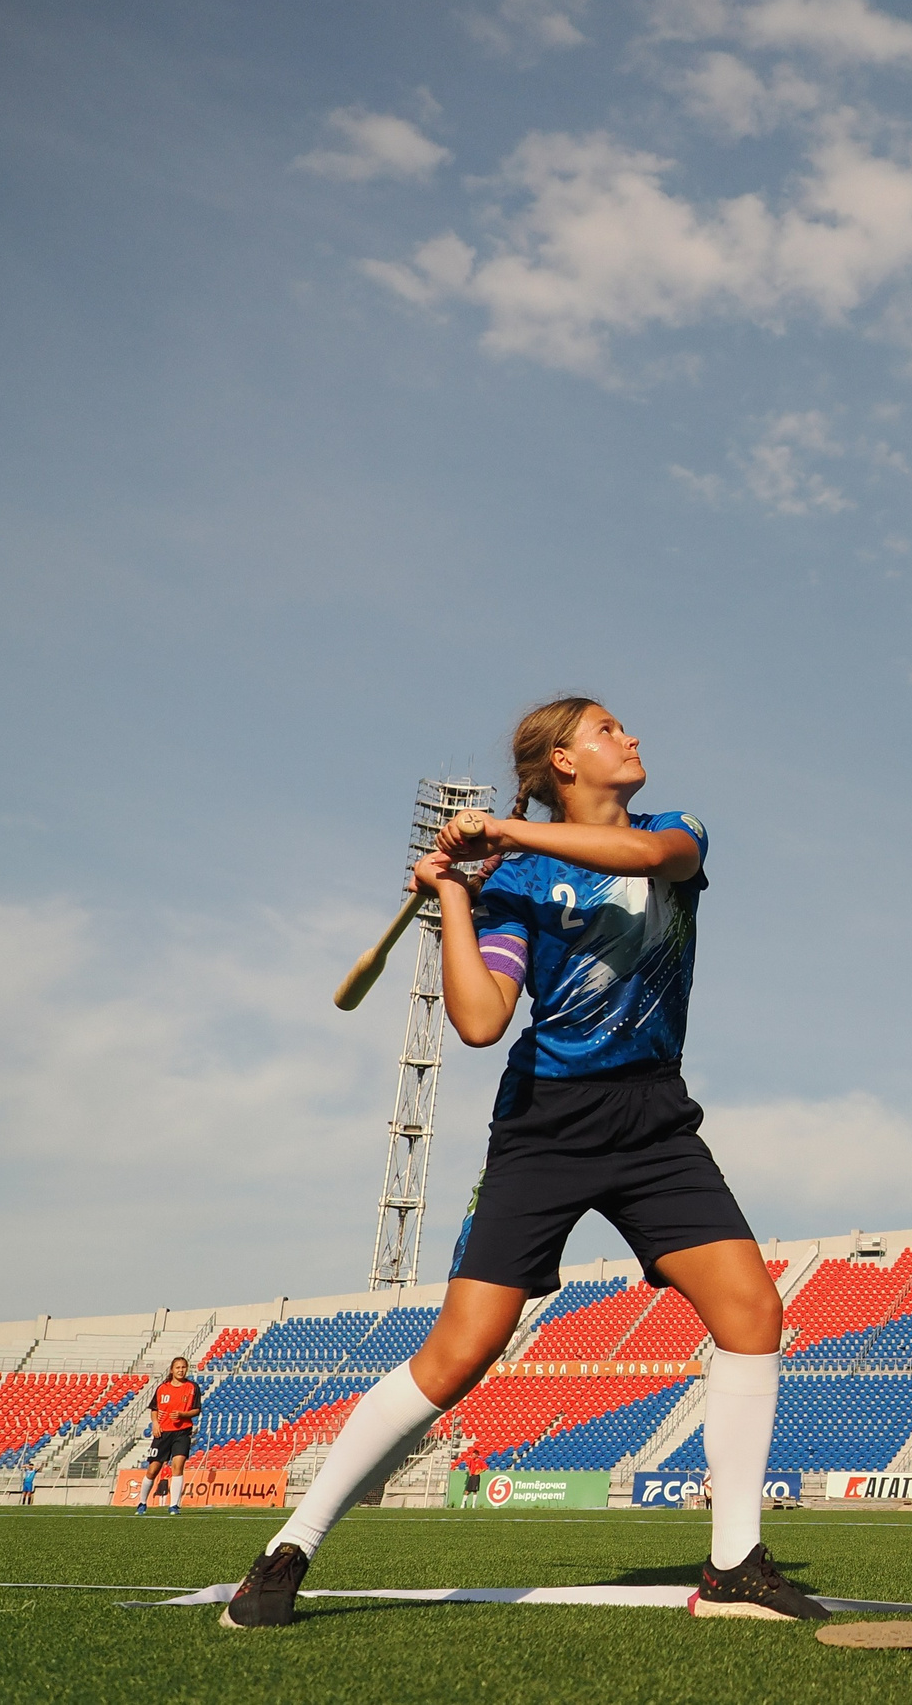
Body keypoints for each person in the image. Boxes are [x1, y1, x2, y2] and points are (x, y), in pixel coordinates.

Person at [224, 698, 821, 1629]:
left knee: (750, 1310)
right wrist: (459, 894)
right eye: (607, 728)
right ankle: (287, 1546)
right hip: (545, 1123)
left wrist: (501, 833)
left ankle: (735, 1563)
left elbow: (642, 864)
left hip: (655, 1116)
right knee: (459, 1353)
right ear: (563, 760)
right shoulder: (509, 883)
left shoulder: (674, 834)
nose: (630, 736)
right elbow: (478, 1020)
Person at [136, 1357, 201, 1515]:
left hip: (182, 1432)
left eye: (183, 1367)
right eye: (178, 1367)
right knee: (153, 1470)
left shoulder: (192, 1387)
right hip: (163, 1433)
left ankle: (174, 1506)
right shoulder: (162, 1388)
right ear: (172, 1370)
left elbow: (197, 1410)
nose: (181, 1370)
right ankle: (142, 1503)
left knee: (178, 1466)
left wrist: (182, 1414)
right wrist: (155, 1423)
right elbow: (154, 1409)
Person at [459, 1440, 486, 1510]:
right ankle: (463, 1504)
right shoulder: (471, 1460)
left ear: (477, 1455)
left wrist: (479, 1471)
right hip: (472, 1477)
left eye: (474, 1455)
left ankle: (474, 1505)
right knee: (467, 1490)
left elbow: (485, 1467)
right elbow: (469, 1467)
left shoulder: (480, 1461)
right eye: (472, 1455)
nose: (472, 1456)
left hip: (476, 1477)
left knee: (475, 1491)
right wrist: (470, 1473)